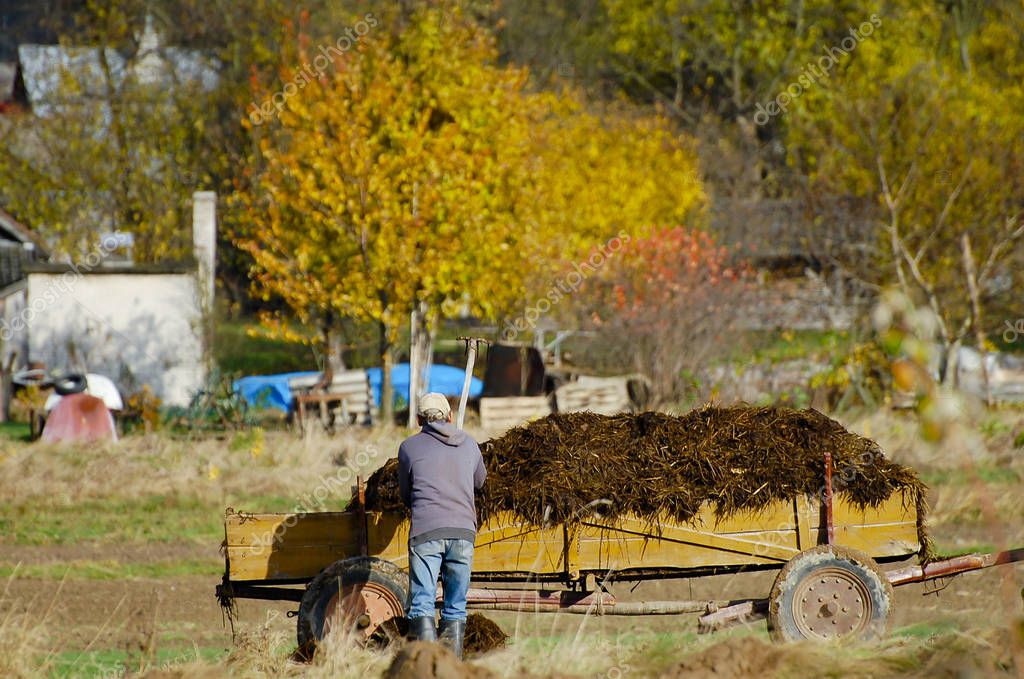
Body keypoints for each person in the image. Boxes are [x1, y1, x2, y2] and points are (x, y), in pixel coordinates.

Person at [398, 392, 486, 659]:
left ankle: (426, 667)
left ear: (418, 419)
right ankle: (450, 669)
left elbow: (405, 493)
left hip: (426, 532)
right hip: (463, 533)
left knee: (423, 602)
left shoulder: (408, 448)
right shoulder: (470, 445)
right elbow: (480, 482)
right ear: (449, 416)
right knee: (456, 606)